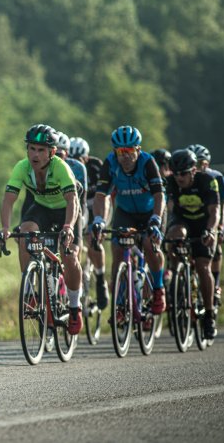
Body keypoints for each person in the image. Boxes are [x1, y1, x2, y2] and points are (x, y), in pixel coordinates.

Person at [0, 124, 83, 334]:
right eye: (31, 148)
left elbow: (72, 201)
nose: (35, 154)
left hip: (66, 211)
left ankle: (74, 306)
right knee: (25, 233)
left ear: (52, 153)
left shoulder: (61, 168)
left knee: (69, 255)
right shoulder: (21, 167)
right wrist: (6, 228)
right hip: (42, 208)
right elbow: (8, 200)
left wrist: (68, 227)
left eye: (41, 150)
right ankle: (29, 292)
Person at [91, 125, 166, 315]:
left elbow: (159, 195)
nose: (124, 156)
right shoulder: (110, 163)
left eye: (129, 151)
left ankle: (158, 288)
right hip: (126, 212)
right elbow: (101, 196)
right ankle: (120, 303)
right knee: (117, 249)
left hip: (151, 212)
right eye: (120, 151)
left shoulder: (148, 162)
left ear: (138, 150)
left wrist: (156, 219)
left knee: (149, 245)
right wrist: (99, 219)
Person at [164, 149, 220, 339]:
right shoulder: (171, 182)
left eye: (183, 173)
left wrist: (211, 230)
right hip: (183, 222)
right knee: (174, 235)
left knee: (204, 267)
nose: (179, 177)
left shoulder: (207, 181)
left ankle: (209, 313)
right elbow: (169, 209)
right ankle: (175, 272)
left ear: (193, 171)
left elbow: (215, 212)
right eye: (176, 173)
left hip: (204, 224)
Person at [187, 144, 224, 307]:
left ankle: (215, 283)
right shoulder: (187, 178)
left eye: (203, 162)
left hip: (213, 217)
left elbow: (223, 205)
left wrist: (219, 227)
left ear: (208, 163)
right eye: (197, 163)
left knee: (215, 245)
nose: (200, 166)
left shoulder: (216, 177)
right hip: (193, 219)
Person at [69, 136, 108, 306]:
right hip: (79, 206)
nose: (75, 162)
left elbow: (105, 195)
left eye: (79, 160)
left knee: (93, 240)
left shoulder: (96, 166)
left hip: (98, 205)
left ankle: (100, 279)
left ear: (86, 158)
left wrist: (101, 222)